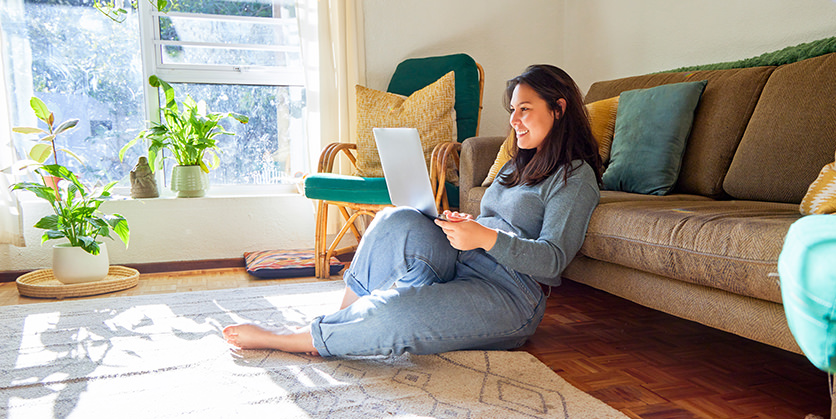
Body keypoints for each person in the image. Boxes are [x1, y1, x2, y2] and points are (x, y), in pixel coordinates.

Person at [223, 64, 603, 357]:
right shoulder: (513, 165)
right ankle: (342, 318)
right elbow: (497, 222)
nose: (513, 120)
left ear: (559, 108)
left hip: (510, 293)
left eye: (524, 109)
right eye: (512, 110)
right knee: (396, 218)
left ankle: (303, 340)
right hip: (462, 257)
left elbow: (554, 261)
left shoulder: (575, 177)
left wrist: (486, 237)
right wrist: (469, 225)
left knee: (396, 314)